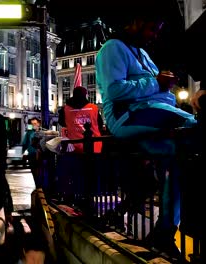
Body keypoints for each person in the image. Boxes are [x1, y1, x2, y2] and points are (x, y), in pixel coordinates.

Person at [95, 11, 197, 257]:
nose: (154, 35)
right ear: (135, 22)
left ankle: (164, 233)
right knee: (194, 125)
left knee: (178, 157)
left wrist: (163, 88)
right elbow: (114, 89)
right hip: (128, 115)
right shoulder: (112, 48)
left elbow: (156, 93)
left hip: (147, 113)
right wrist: (157, 83)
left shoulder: (142, 53)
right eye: (152, 28)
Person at [58, 86, 104, 153]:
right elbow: (100, 124)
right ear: (85, 95)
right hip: (94, 145)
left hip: (74, 146)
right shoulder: (93, 108)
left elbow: (61, 123)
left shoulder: (65, 109)